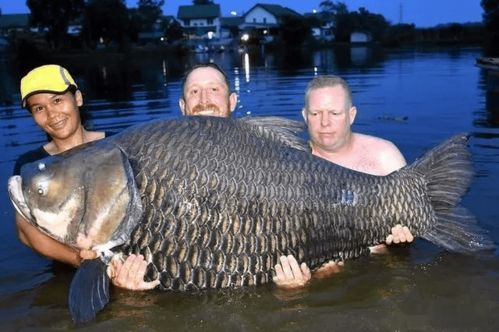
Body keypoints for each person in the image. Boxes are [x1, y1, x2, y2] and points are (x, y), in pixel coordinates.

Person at [13, 64, 158, 291]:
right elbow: (25, 232)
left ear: (78, 98)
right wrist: (82, 260)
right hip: (70, 272)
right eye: (39, 108)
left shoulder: (119, 145)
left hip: (133, 264)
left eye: (57, 101)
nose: (52, 114)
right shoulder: (32, 167)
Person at [273, 75, 414, 289]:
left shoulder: (384, 156)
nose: (325, 122)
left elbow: (411, 232)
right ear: (304, 116)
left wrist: (401, 243)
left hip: (379, 270)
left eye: (334, 113)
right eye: (315, 113)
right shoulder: (286, 167)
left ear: (351, 115)